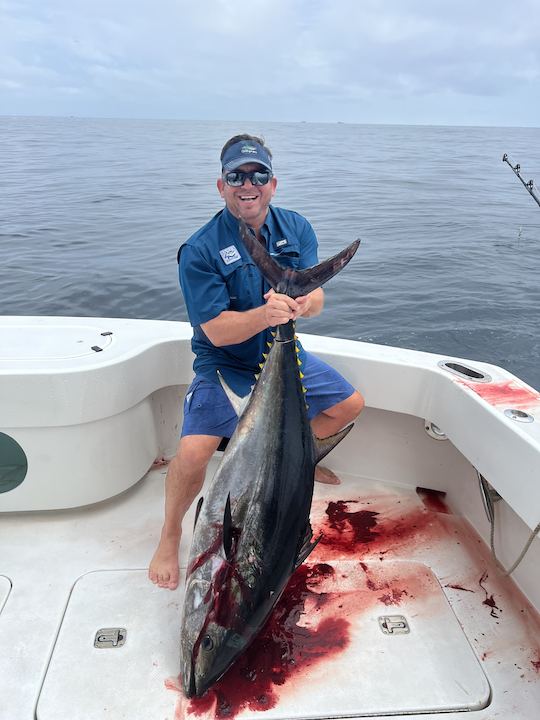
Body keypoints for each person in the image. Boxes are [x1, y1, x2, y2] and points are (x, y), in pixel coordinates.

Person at [149, 134, 364, 590]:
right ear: (221, 185)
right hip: (223, 364)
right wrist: (264, 316)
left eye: (257, 175)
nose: (248, 184)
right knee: (192, 452)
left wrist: (304, 304)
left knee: (349, 406)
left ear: (273, 183)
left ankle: (297, 459)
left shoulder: (296, 228)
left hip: (281, 354)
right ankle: (169, 535)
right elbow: (215, 331)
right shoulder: (200, 249)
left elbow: (318, 297)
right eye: (236, 176)